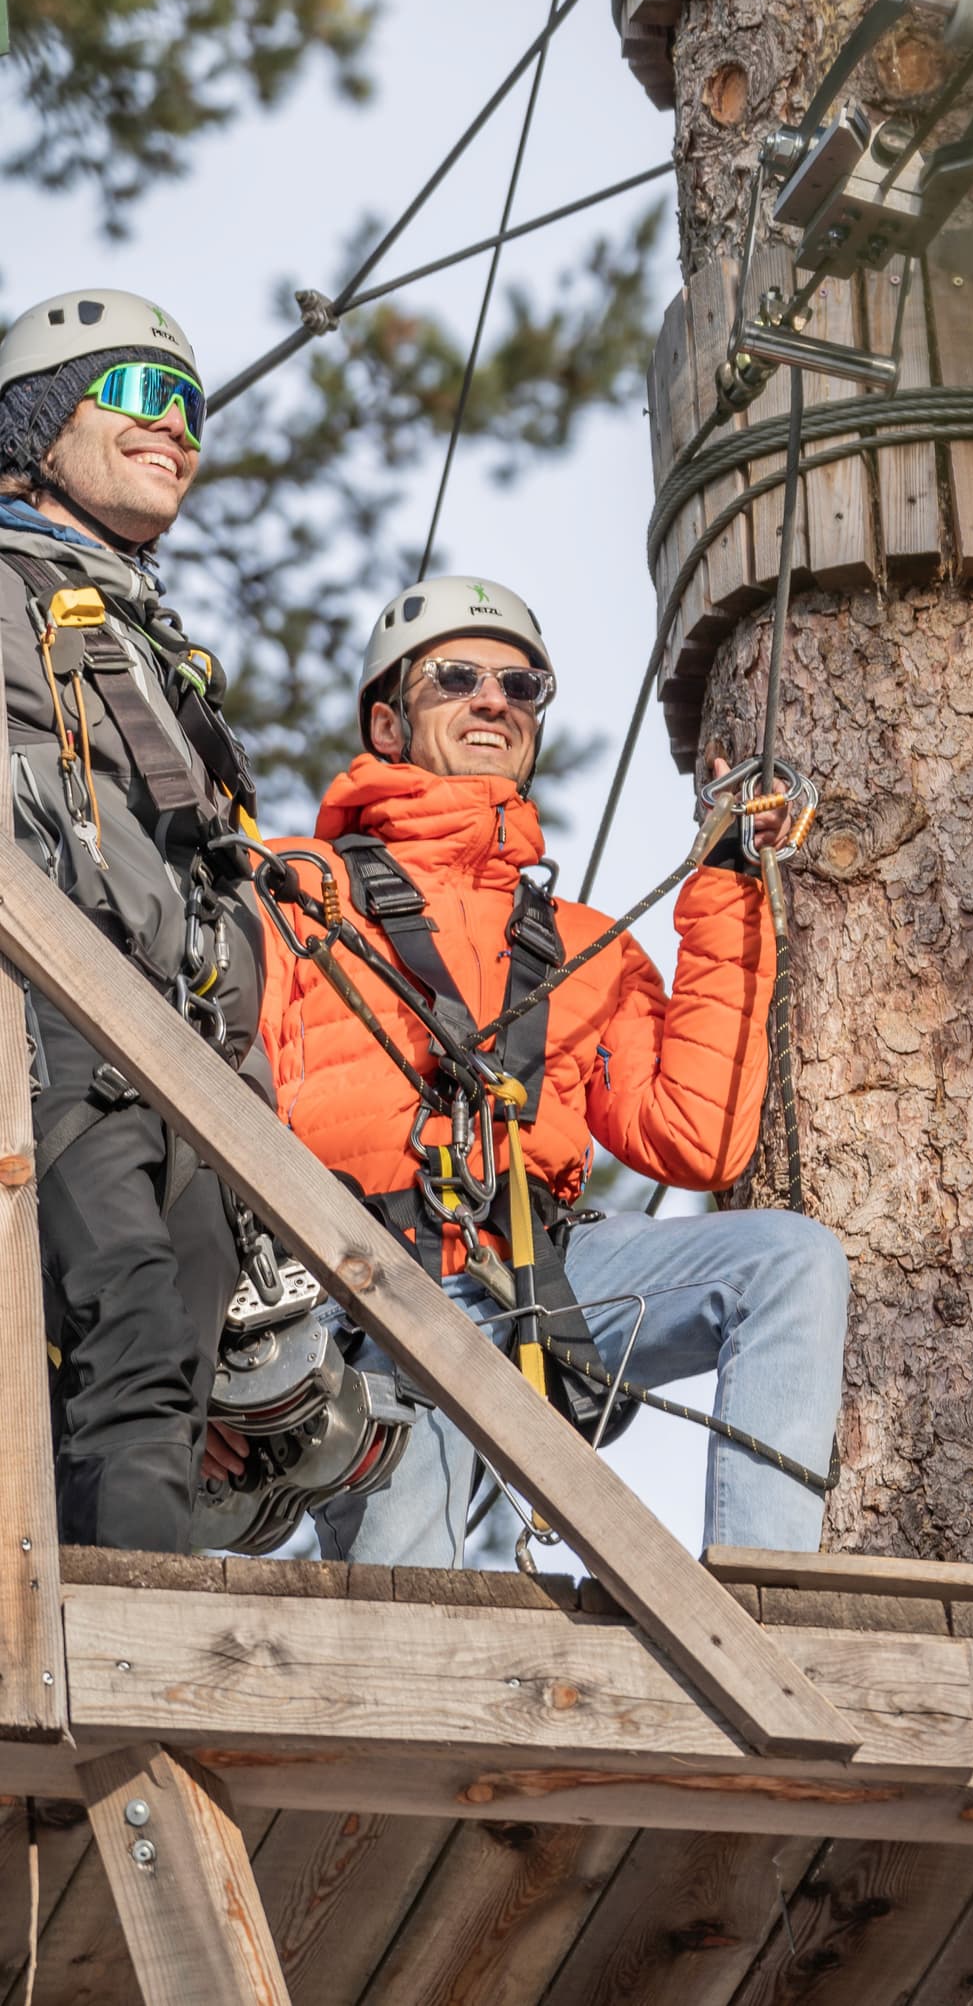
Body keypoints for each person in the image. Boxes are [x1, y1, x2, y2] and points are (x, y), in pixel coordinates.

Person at [257, 572, 849, 1563]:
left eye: (521, 687)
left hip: (539, 1273)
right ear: (388, 725)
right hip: (368, 1291)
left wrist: (729, 888)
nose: (495, 699)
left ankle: (769, 1597)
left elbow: (693, 1138)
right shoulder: (297, 892)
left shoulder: (581, 944)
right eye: (455, 678)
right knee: (411, 1575)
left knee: (785, 1263)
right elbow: (231, 1088)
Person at [0, 289, 266, 1550]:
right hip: (57, 1019)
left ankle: (131, 1624)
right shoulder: (6, 588)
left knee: (180, 1382)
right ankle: (120, 1664)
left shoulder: (151, 645)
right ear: (42, 423)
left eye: (192, 407)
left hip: (191, 1052)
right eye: (140, 393)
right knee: (131, 1334)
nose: (177, 428)